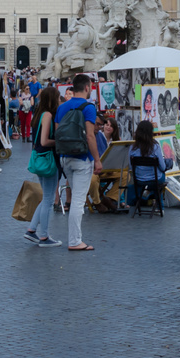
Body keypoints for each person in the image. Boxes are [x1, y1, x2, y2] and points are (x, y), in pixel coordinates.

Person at [53, 74, 101, 252]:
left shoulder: (62, 107)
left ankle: (75, 238)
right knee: (78, 202)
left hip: (65, 157)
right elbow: (90, 136)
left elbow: (58, 133)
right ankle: (75, 241)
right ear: (87, 87)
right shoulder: (89, 107)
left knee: (75, 199)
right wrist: (97, 160)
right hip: (82, 158)